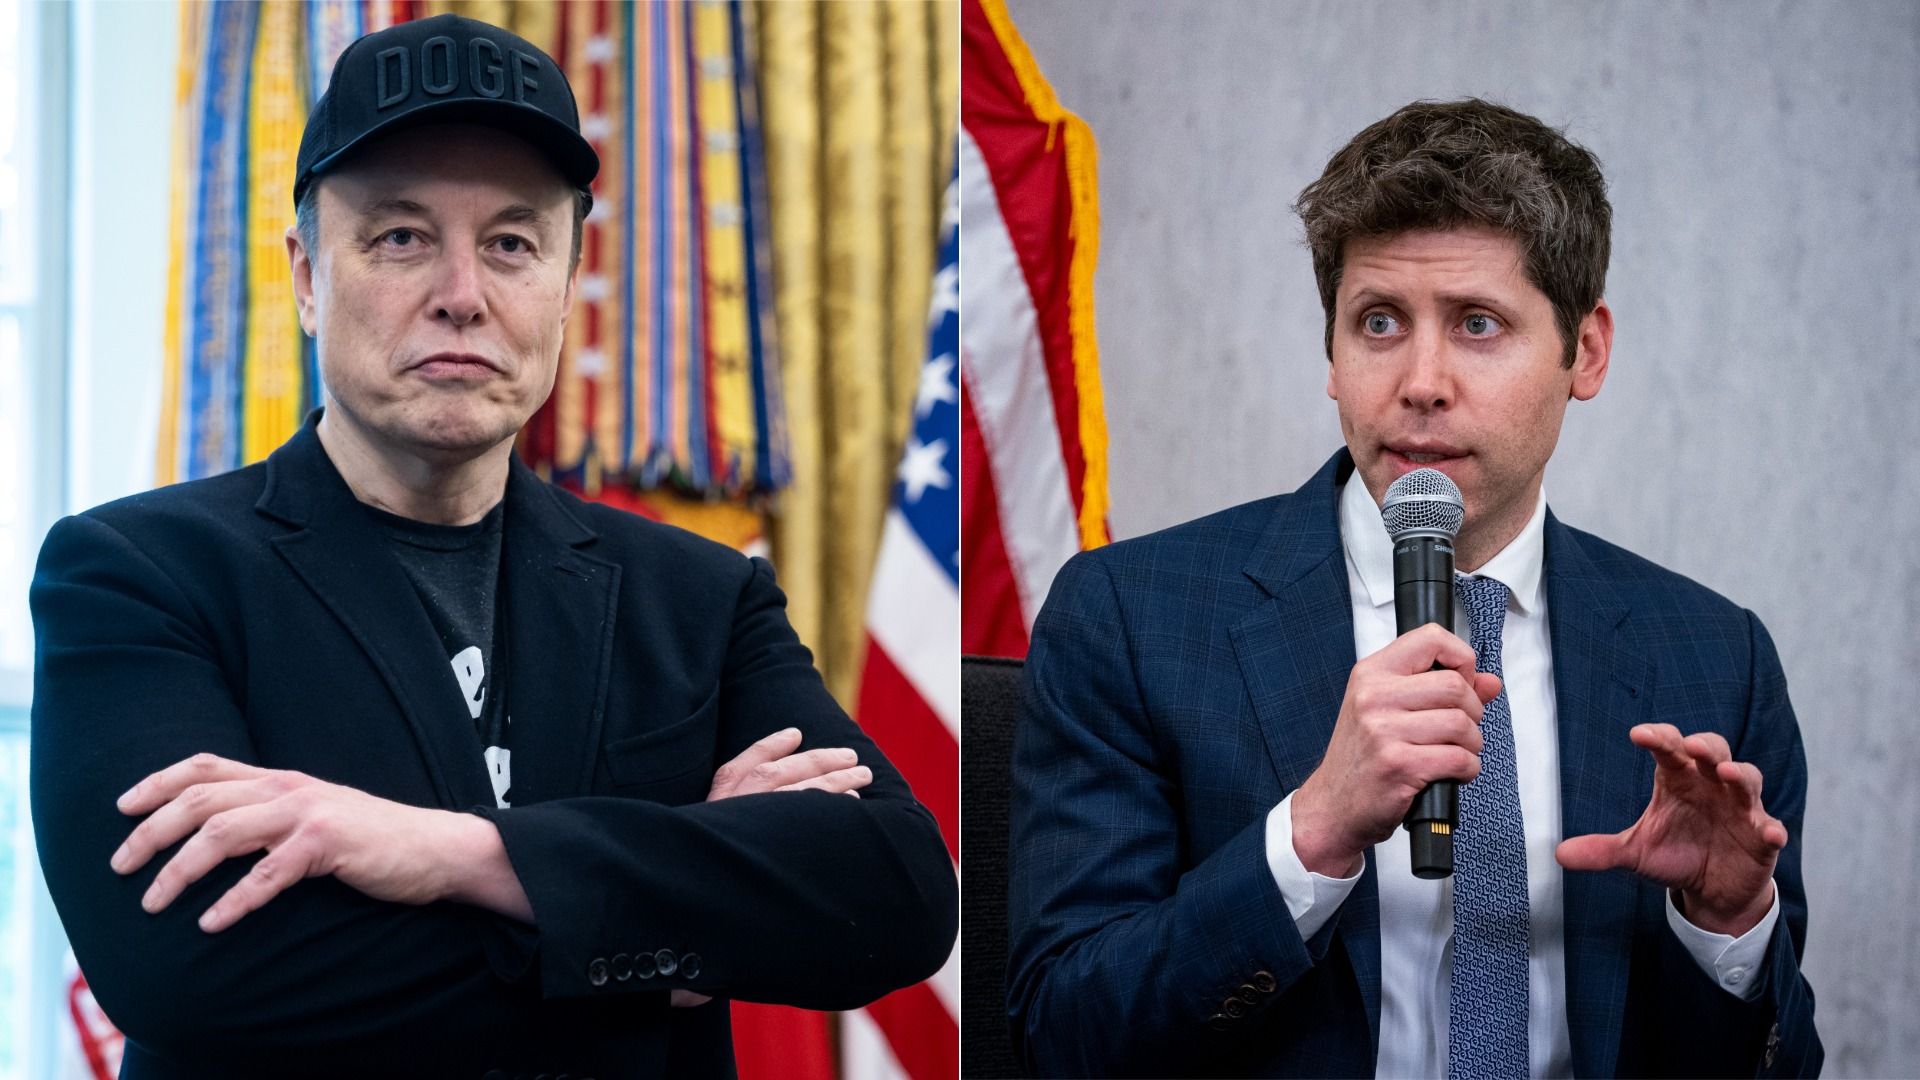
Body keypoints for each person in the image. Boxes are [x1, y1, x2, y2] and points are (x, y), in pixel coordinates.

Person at [30, 14, 955, 1078]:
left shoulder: (700, 595)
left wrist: (447, 854)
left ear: (565, 287)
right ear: (305, 275)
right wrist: (677, 918)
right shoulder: (138, 574)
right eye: (400, 237)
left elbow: (897, 893)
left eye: (512, 243)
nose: (462, 295)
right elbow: (187, 974)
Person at [1007, 99, 1819, 1077]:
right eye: (1379, 322)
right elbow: (1059, 1033)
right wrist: (1308, 835)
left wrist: (1725, 930)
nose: (1422, 380)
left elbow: (1779, 1064)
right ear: (1332, 355)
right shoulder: (1134, 617)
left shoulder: (1713, 656)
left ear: (1585, 352)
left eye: (1478, 324)